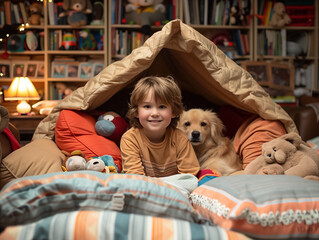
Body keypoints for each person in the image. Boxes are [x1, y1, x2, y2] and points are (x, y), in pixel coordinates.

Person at [120, 76, 200, 177]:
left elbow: (189, 178)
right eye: (147, 106)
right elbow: (136, 179)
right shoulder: (130, 139)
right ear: (136, 111)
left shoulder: (180, 139)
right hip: (145, 190)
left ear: (173, 112)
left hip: (174, 190)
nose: (154, 113)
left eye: (162, 107)